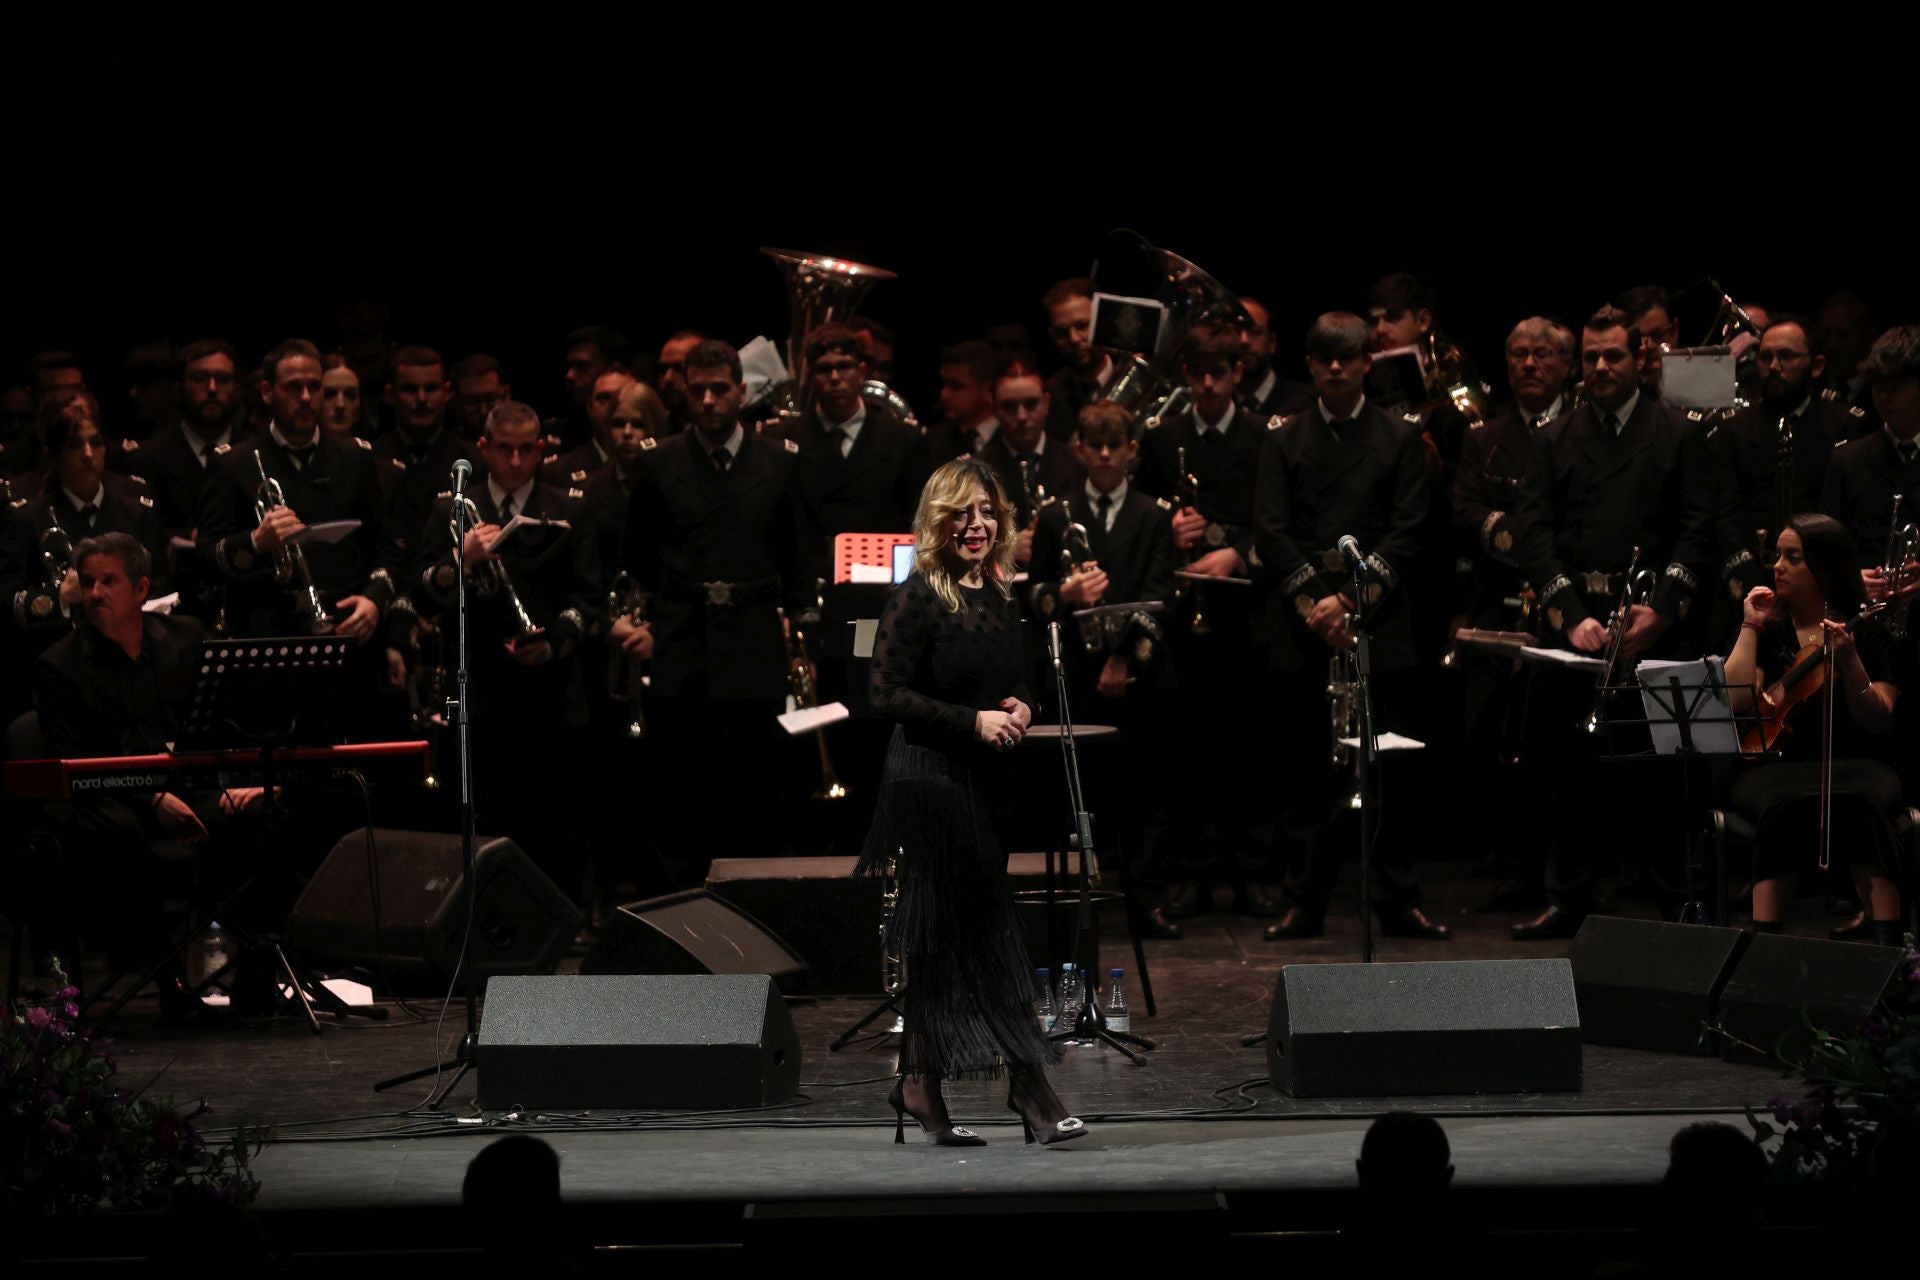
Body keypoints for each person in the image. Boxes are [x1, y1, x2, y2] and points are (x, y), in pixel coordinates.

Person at [859, 457, 1086, 1148]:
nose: (978, 524)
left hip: (982, 780)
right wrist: (973, 721)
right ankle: (1030, 1085)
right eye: (963, 512)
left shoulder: (996, 592)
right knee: (988, 930)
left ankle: (919, 1081)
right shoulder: (918, 595)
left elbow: (1011, 682)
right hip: (927, 779)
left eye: (987, 511)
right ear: (938, 520)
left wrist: (1021, 704)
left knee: (943, 939)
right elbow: (885, 694)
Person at [1254, 313, 1442, 941]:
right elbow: (1271, 531)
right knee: (1306, 774)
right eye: (1324, 357)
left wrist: (1351, 600)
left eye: (1348, 356)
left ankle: (1398, 899)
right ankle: (1303, 901)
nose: (1336, 367)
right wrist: (1319, 604)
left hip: (1378, 624)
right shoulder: (1283, 439)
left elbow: (1410, 529)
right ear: (1309, 365)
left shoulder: (1399, 437)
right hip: (1305, 625)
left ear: (1368, 362)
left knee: (1389, 770)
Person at [623, 339, 804, 882]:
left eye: (718, 389)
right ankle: (684, 905)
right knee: (682, 784)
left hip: (753, 639)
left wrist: (801, 632)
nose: (707, 400)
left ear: (742, 391)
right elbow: (638, 552)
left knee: (755, 782)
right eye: (696, 390)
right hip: (685, 637)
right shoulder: (658, 464)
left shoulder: (778, 463)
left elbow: (794, 553)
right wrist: (670, 604)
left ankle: (756, 897)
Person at [1027, 400, 1178, 936]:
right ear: (1079, 450)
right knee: (1076, 792)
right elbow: (1030, 598)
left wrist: (1119, 659)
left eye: (1117, 444)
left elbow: (1161, 594)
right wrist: (1064, 592)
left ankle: (1146, 902)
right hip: (1073, 674)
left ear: (1134, 450)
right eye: (1096, 445)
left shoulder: (1153, 515)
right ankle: (1076, 902)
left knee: (1145, 790)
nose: (1107, 454)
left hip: (1136, 671)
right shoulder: (1054, 516)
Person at [1724, 515, 1903, 946]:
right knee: (1779, 805)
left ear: (1825, 567)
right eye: (1778, 556)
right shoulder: (1773, 630)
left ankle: (1891, 951)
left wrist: (1850, 661)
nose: (1777, 567)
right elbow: (1734, 699)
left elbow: (1876, 716)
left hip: (1856, 762)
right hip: (1776, 763)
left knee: (1864, 805)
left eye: (1793, 558)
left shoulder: (1870, 630)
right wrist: (1750, 625)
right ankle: (1764, 945)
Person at [1040, 277, 1114, 443]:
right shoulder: (1047, 397)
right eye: (1061, 332)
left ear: (1102, 321)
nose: (1073, 339)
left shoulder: (1137, 376)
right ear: (1052, 337)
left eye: (1082, 326)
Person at [923, 340, 1001, 467]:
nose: (944, 394)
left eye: (956, 386)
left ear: (990, 390)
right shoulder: (931, 442)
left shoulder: (1012, 439)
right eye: (945, 384)